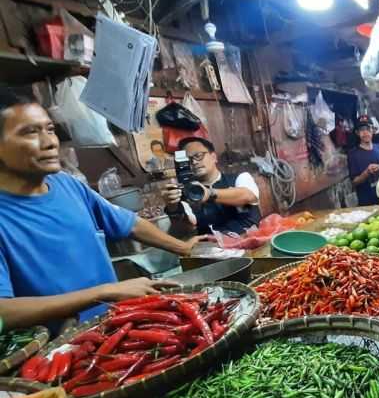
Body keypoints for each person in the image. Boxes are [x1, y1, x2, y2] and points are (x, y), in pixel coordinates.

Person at [0, 89, 200, 329]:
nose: (50, 142)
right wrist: (104, 292)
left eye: (50, 129)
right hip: (64, 350)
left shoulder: (68, 185)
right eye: (30, 132)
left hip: (119, 326)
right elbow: (4, 312)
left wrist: (184, 249)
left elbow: (130, 224)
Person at [161, 136, 261, 235]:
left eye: (198, 155)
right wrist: (173, 208)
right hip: (213, 248)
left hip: (250, 244)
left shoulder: (240, 177)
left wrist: (209, 194)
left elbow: (247, 196)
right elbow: (186, 231)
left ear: (214, 157)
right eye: (188, 160)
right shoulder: (188, 193)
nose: (194, 162)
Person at [348, 115, 379, 206]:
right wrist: (366, 173)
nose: (365, 133)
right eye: (362, 130)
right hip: (366, 202)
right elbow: (354, 182)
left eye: (368, 129)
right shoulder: (353, 154)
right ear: (357, 133)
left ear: (373, 130)